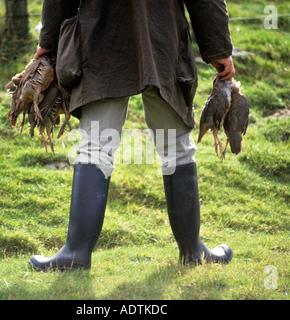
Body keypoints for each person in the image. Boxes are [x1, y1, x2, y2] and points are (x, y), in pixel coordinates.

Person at [29, 0, 235, 271]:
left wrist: (49, 39)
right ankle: (192, 249)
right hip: (161, 40)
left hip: (103, 39)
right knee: (177, 147)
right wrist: (218, 47)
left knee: (95, 148)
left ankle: (76, 253)